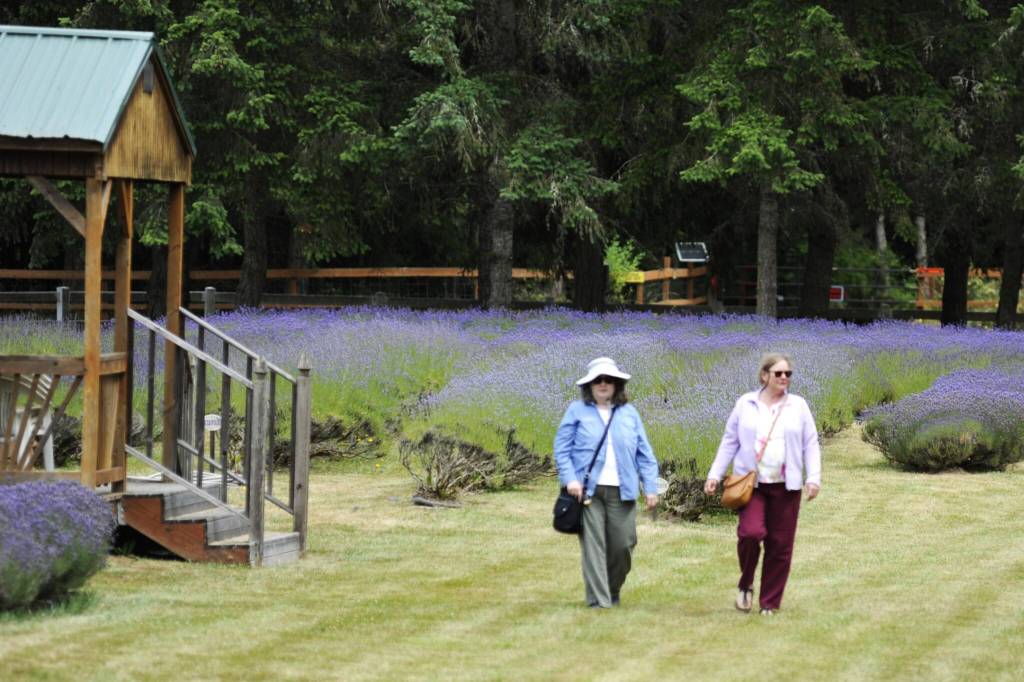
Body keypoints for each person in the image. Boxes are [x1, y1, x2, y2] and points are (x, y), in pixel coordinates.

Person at [704, 352, 821, 615]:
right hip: (752, 485)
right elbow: (729, 441)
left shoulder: (798, 406)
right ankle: (745, 584)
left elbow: (810, 443)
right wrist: (714, 474)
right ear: (764, 375)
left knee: (780, 545)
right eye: (778, 373)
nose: (783, 378)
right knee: (750, 534)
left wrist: (813, 477)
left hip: (785, 486)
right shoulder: (746, 403)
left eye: (787, 374)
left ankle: (769, 602)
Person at [554, 357, 660, 609]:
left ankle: (611, 590)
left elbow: (645, 454)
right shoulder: (576, 410)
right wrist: (570, 480)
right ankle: (599, 602)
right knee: (594, 546)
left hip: (623, 490)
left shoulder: (629, 413)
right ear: (589, 385)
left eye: (608, 380)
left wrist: (651, 487)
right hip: (587, 491)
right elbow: (562, 449)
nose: (603, 384)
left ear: (617, 385)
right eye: (597, 380)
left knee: (623, 545)